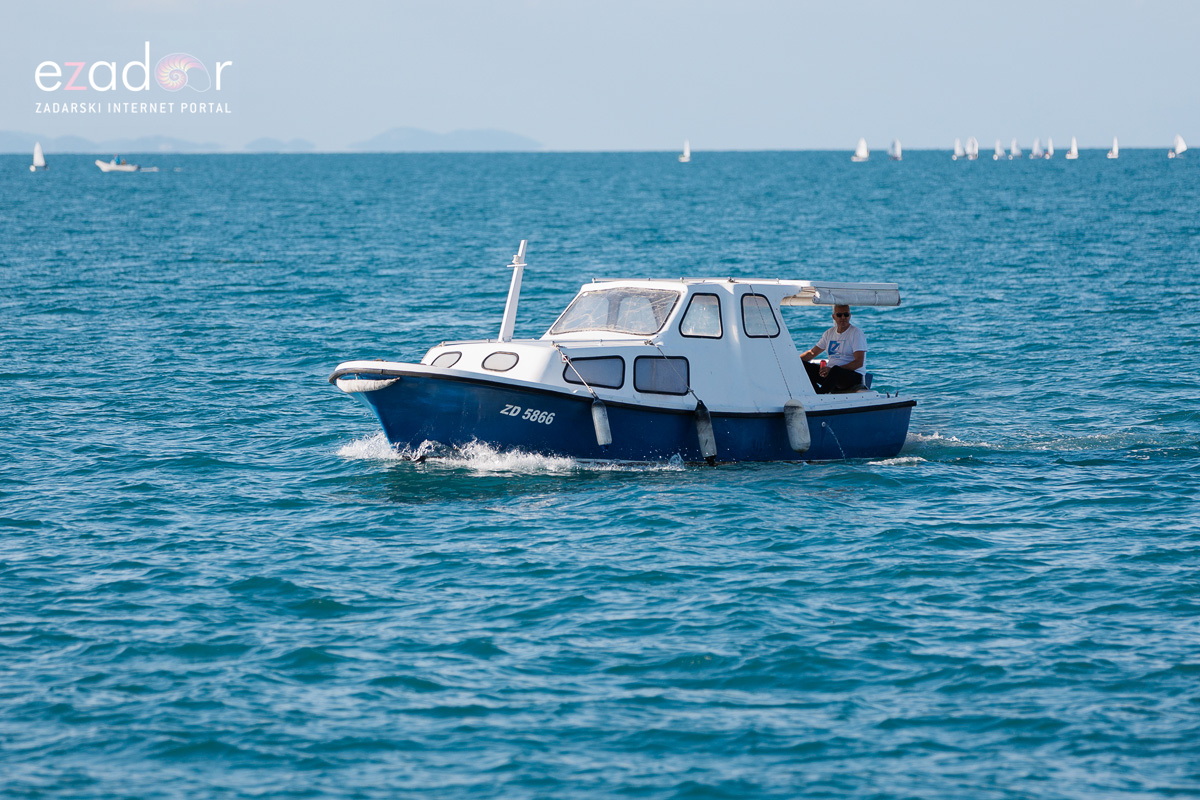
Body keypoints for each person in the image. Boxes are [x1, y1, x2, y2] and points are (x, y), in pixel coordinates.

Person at [799, 304, 867, 393]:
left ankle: (822, 394)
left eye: (846, 315)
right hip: (832, 375)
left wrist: (832, 370)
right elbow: (812, 353)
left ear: (850, 316)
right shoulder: (829, 333)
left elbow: (858, 363)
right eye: (839, 315)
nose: (843, 317)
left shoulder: (856, 333)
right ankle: (814, 392)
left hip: (852, 377)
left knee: (836, 370)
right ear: (834, 317)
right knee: (803, 366)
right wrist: (795, 362)